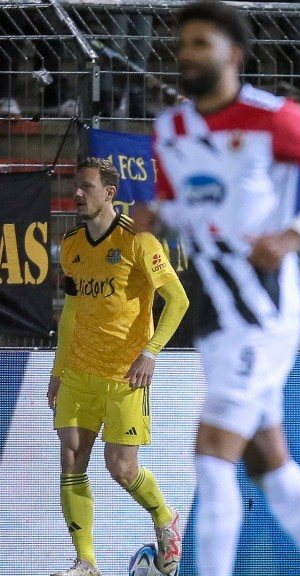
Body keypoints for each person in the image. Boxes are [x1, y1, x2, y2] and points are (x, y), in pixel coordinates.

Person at [134, 2, 300, 575]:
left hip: (264, 312)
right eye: (182, 42)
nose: (186, 53)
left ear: (232, 54)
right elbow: (186, 207)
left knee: (212, 458)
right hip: (217, 317)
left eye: (200, 43)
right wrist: (158, 215)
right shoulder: (172, 131)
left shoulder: (274, 118)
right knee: (270, 464)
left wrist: (294, 233)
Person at [49, 157, 189, 576]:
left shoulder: (138, 241)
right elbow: (71, 310)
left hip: (125, 375)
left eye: (86, 187)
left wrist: (150, 353)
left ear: (109, 193)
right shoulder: (72, 245)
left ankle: (165, 519)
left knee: (120, 468)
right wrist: (58, 369)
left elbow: (178, 300)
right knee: (71, 458)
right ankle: (86, 562)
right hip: (78, 371)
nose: (76, 193)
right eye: (75, 186)